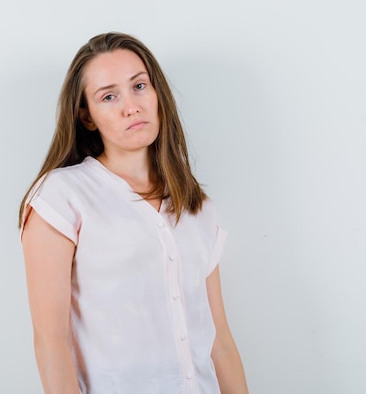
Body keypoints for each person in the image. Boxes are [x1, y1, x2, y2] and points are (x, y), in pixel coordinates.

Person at [19, 32, 248, 394]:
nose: (132, 106)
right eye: (109, 96)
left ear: (157, 94)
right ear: (87, 117)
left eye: (139, 86)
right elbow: (51, 341)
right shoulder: (62, 196)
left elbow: (219, 341)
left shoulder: (197, 206)